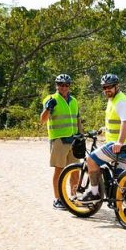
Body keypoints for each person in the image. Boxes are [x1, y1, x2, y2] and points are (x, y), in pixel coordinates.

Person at [79, 74, 126, 208]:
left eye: (110, 87)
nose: (107, 90)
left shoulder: (121, 101)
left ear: (117, 86)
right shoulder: (114, 100)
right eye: (104, 87)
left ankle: (94, 193)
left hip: (117, 146)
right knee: (123, 178)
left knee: (91, 160)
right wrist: (105, 129)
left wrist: (119, 142)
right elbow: (117, 121)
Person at [40, 74, 84, 210]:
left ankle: (73, 196)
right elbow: (42, 120)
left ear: (69, 86)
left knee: (75, 171)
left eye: (66, 85)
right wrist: (48, 108)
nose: (64, 87)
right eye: (61, 84)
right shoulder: (51, 99)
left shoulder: (74, 101)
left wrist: (81, 136)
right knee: (59, 170)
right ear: (56, 85)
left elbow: (78, 120)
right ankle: (57, 199)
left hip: (74, 140)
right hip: (59, 140)